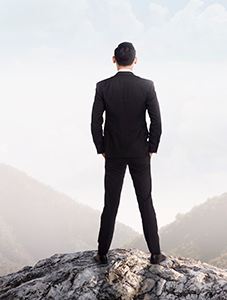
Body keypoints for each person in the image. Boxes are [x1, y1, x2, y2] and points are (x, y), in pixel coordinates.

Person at [91, 42, 166, 265]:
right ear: (135, 60)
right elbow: (157, 121)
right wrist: (151, 147)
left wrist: (101, 147)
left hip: (113, 153)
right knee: (145, 201)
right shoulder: (147, 86)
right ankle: (155, 253)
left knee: (110, 203)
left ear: (113, 60)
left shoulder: (102, 87)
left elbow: (96, 122)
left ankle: (102, 253)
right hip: (140, 153)